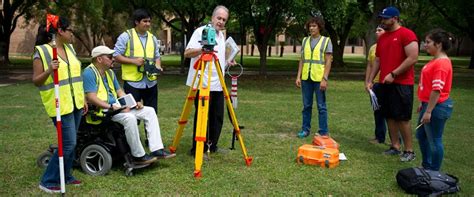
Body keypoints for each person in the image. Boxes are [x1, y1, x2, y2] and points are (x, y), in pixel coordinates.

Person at [83, 46, 175, 164]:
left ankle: (157, 149)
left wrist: (132, 104)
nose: (113, 59)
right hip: (104, 111)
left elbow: (119, 92)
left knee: (150, 111)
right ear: (99, 59)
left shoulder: (109, 72)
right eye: (110, 57)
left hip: (115, 108)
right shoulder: (89, 73)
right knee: (130, 118)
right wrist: (111, 107)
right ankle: (138, 156)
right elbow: (91, 97)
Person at [32, 17, 87, 193]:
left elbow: (76, 76)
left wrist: (83, 98)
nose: (73, 34)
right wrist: (49, 70)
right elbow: (37, 81)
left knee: (73, 141)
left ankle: (66, 175)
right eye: (70, 30)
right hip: (59, 104)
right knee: (68, 143)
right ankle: (48, 180)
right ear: (60, 31)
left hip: (76, 102)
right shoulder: (42, 51)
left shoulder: (70, 49)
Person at [367, 6, 419, 161]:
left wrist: (394, 73)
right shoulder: (382, 37)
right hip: (385, 83)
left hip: (402, 83)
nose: (382, 21)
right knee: (388, 115)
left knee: (402, 118)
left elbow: (412, 58)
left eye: (385, 18)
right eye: (381, 18)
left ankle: (409, 150)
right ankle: (395, 146)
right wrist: (370, 79)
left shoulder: (407, 34)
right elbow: (377, 60)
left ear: (395, 18)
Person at [185, 5, 233, 154]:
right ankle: (197, 148)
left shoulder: (220, 35)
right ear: (212, 17)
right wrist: (202, 49)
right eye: (219, 18)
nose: (221, 22)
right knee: (202, 117)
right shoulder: (200, 32)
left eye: (224, 20)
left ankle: (212, 145)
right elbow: (187, 53)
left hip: (218, 83)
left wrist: (228, 61)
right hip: (202, 83)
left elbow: (218, 58)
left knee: (217, 117)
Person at [416, 29, 454, 171]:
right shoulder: (435, 60)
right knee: (421, 135)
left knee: (434, 139)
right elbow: (428, 85)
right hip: (429, 104)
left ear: (438, 44)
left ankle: (433, 171)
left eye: (428, 42)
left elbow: (437, 89)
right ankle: (427, 165)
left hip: (437, 107)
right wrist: (423, 102)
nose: (425, 45)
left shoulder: (441, 64)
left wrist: (429, 111)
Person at [113, 9, 162, 113]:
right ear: (136, 22)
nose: (148, 24)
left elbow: (157, 56)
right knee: (132, 114)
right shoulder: (126, 36)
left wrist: (158, 66)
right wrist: (133, 61)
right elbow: (116, 55)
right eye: (145, 21)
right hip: (132, 82)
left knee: (152, 113)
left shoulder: (152, 38)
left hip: (151, 82)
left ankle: (150, 130)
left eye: (149, 21)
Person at [295, 16, 333, 138]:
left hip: (319, 78)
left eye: (314, 26)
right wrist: (298, 76)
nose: (311, 28)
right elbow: (302, 59)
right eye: (310, 26)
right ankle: (305, 129)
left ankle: (323, 131)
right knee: (306, 105)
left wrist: (324, 78)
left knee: (321, 106)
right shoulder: (305, 40)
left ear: (319, 27)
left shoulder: (326, 41)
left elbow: (328, 61)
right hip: (306, 77)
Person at [365, 25, 387, 144]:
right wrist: (368, 81)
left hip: (387, 83)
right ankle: (379, 136)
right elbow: (370, 65)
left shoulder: (390, 46)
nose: (376, 32)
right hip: (375, 84)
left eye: (380, 30)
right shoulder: (373, 48)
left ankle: (397, 140)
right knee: (377, 111)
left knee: (390, 112)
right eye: (376, 29)